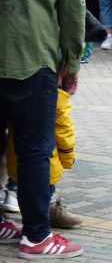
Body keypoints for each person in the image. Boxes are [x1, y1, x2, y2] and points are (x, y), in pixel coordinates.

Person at [0, 0, 84, 259]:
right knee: (35, 147)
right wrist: (73, 60)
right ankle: (36, 236)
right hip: (30, 57)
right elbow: (73, 6)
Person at [4, 88, 83, 229]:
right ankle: (40, 229)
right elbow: (64, 131)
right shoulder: (57, 98)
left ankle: (12, 194)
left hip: (15, 161)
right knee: (42, 192)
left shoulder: (15, 94)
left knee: (26, 188)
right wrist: (68, 158)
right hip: (46, 162)